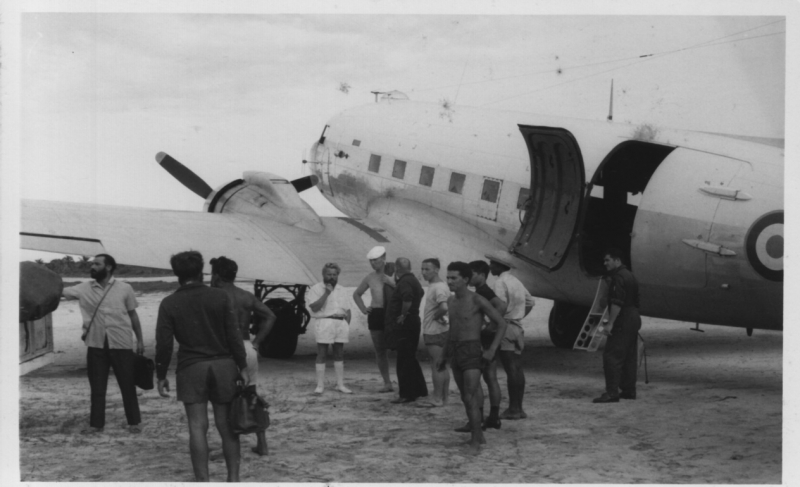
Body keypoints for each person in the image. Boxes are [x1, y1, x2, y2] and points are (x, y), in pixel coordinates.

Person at [155, 250, 249, 482]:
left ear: (177, 274)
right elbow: (234, 336)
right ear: (201, 271)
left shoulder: (168, 303)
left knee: (197, 427)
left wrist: (161, 373)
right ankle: (233, 479)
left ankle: (203, 481)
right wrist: (243, 366)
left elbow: (164, 344)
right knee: (226, 427)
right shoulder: (220, 297)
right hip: (223, 367)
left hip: (191, 369)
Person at [62, 253, 143, 435]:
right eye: (92, 264)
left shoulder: (125, 288)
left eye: (97, 264)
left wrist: (140, 340)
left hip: (121, 343)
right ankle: (96, 425)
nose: (92, 267)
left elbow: (133, 315)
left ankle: (134, 422)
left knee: (127, 384)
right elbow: (61, 291)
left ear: (108, 267)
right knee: (97, 387)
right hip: (96, 343)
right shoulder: (83, 288)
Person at [437, 262, 507, 452]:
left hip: (472, 350)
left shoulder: (477, 300)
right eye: (448, 277)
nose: (449, 281)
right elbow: (452, 330)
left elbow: (501, 324)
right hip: (455, 351)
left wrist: (492, 349)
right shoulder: (451, 302)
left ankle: (477, 437)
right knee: (465, 397)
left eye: (454, 278)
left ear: (466, 280)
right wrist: (443, 355)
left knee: (469, 396)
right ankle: (478, 435)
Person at [210, 256, 277, 456]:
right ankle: (262, 443)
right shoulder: (246, 296)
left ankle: (229, 447)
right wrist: (256, 342)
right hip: (247, 346)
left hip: (226, 350)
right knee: (252, 395)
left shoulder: (214, 296)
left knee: (226, 401)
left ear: (217, 276)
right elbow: (271, 316)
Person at [593, 248, 642, 403]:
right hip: (633, 317)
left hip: (623, 318)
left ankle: (612, 393)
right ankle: (629, 390)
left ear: (617, 260)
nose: (605, 263)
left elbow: (616, 303)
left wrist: (610, 324)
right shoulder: (630, 275)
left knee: (612, 356)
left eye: (608, 260)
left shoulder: (618, 277)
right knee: (629, 356)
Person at [463, 259, 508, 431]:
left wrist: (491, 326)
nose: (469, 277)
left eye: (472, 274)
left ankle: (480, 418)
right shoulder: (482, 290)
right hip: (488, 339)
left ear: (482, 275)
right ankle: (493, 417)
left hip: (484, 339)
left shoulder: (483, 291)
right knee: (491, 378)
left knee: (480, 379)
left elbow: (501, 306)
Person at [489, 258, 535, 420]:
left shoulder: (500, 282)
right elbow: (530, 301)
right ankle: (518, 408)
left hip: (506, 327)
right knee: (516, 367)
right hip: (517, 326)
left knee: (511, 368)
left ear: (500, 265)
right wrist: (518, 316)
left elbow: (499, 307)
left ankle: (514, 409)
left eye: (492, 264)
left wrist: (494, 326)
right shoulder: (515, 280)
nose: (490, 266)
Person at [385, 257, 428, 404]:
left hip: (406, 324)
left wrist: (403, 314)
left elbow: (407, 297)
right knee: (410, 357)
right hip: (413, 321)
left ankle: (407, 394)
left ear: (397, 268)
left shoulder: (404, 282)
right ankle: (420, 389)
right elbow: (420, 292)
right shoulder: (413, 280)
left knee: (404, 359)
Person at [353, 246, 395, 393]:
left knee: (398, 347)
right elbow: (356, 294)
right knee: (380, 350)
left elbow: (406, 292)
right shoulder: (370, 277)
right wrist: (364, 309)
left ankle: (404, 380)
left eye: (375, 260)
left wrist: (392, 282)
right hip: (376, 312)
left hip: (391, 312)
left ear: (383, 259)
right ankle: (387, 382)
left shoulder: (394, 274)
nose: (373, 263)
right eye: (371, 261)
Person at [307, 262, 353, 394]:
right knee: (322, 353)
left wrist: (346, 325)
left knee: (339, 353)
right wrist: (326, 293)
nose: (332, 277)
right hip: (325, 321)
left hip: (340, 321)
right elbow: (314, 307)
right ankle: (320, 385)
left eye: (334, 274)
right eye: (329, 274)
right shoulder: (316, 289)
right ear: (323, 274)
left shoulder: (342, 289)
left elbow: (347, 309)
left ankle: (340, 384)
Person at [417, 258, 451, 407]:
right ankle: (444, 397)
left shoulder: (438, 287)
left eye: (427, 269)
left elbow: (444, 307)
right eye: (422, 269)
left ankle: (437, 398)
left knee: (437, 365)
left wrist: (436, 317)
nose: (424, 272)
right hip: (441, 330)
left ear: (436, 270)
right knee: (442, 365)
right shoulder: (440, 285)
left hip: (434, 331)